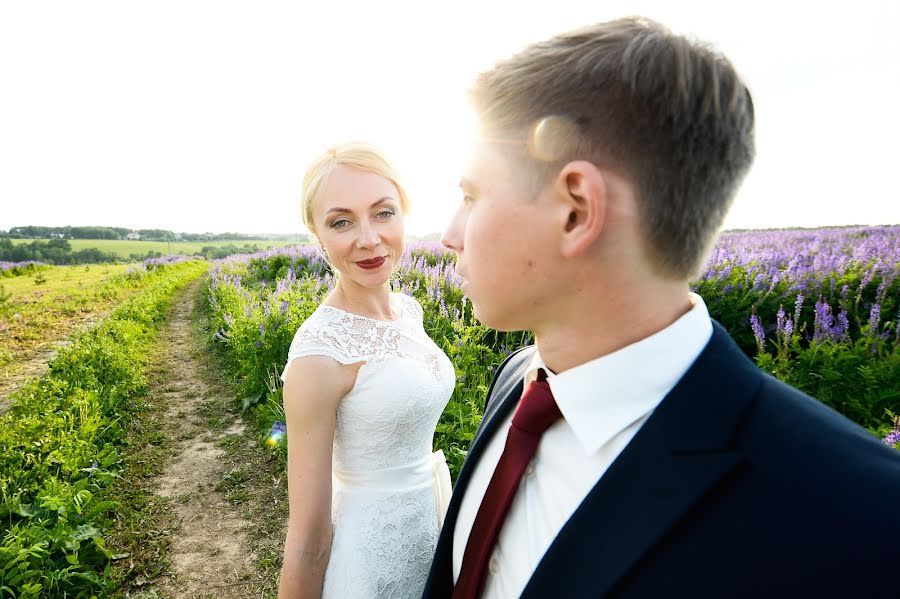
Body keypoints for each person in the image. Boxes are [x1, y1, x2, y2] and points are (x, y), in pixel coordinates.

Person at [423, 17, 900, 599]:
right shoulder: (518, 386)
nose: (449, 234)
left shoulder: (862, 520)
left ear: (575, 210)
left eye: (471, 196)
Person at [278, 142, 455, 598]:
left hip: (434, 528)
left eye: (383, 213)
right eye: (341, 222)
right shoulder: (318, 356)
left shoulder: (409, 311)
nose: (369, 239)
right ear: (317, 234)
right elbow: (307, 540)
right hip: (373, 564)